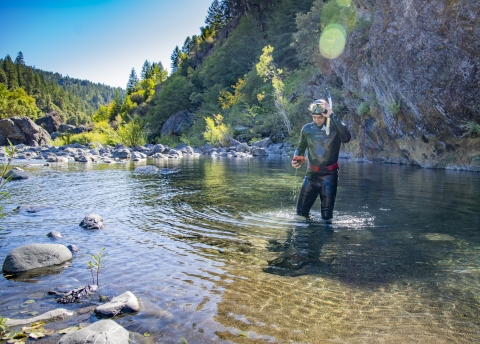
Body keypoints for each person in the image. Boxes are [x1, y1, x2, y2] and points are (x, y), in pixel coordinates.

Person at [292, 98, 351, 220]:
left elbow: (346, 138)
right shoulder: (307, 129)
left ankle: (326, 238)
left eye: (320, 117)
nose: (316, 120)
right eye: (314, 117)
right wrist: (296, 158)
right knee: (300, 214)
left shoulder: (336, 128)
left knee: (326, 217)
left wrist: (332, 116)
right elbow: (300, 148)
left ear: (325, 115)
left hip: (329, 176)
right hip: (310, 175)